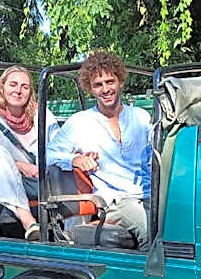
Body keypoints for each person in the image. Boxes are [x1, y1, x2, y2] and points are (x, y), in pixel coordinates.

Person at [46, 51, 152, 247]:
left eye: (110, 81)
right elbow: (46, 155)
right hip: (116, 201)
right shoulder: (80, 122)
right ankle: (152, 277)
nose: (105, 89)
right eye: (98, 84)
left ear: (120, 81)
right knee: (148, 228)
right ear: (90, 89)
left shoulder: (141, 117)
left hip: (149, 194)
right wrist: (74, 160)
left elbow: (157, 156)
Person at [0, 66, 58, 240]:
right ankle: (27, 220)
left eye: (24, 86)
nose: (18, 91)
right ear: (2, 87)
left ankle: (77, 237)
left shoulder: (42, 115)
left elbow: (59, 145)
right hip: (7, 182)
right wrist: (19, 166)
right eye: (13, 84)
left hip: (44, 180)